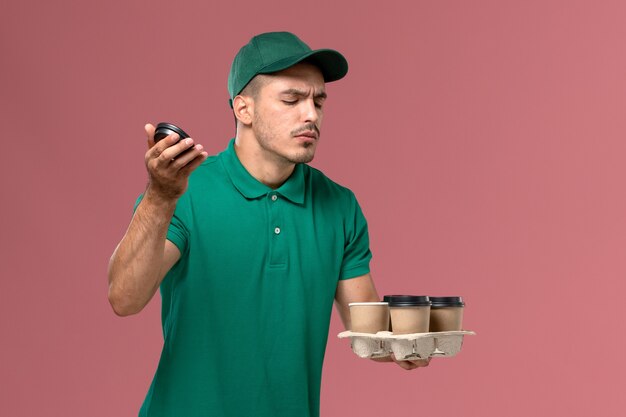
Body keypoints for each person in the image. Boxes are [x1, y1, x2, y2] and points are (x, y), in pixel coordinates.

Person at [108, 31, 428, 417]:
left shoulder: (339, 206)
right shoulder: (185, 191)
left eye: (318, 100)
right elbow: (124, 298)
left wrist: (410, 342)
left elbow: (367, 332)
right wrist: (159, 196)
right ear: (244, 109)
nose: (310, 114)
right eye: (291, 99)